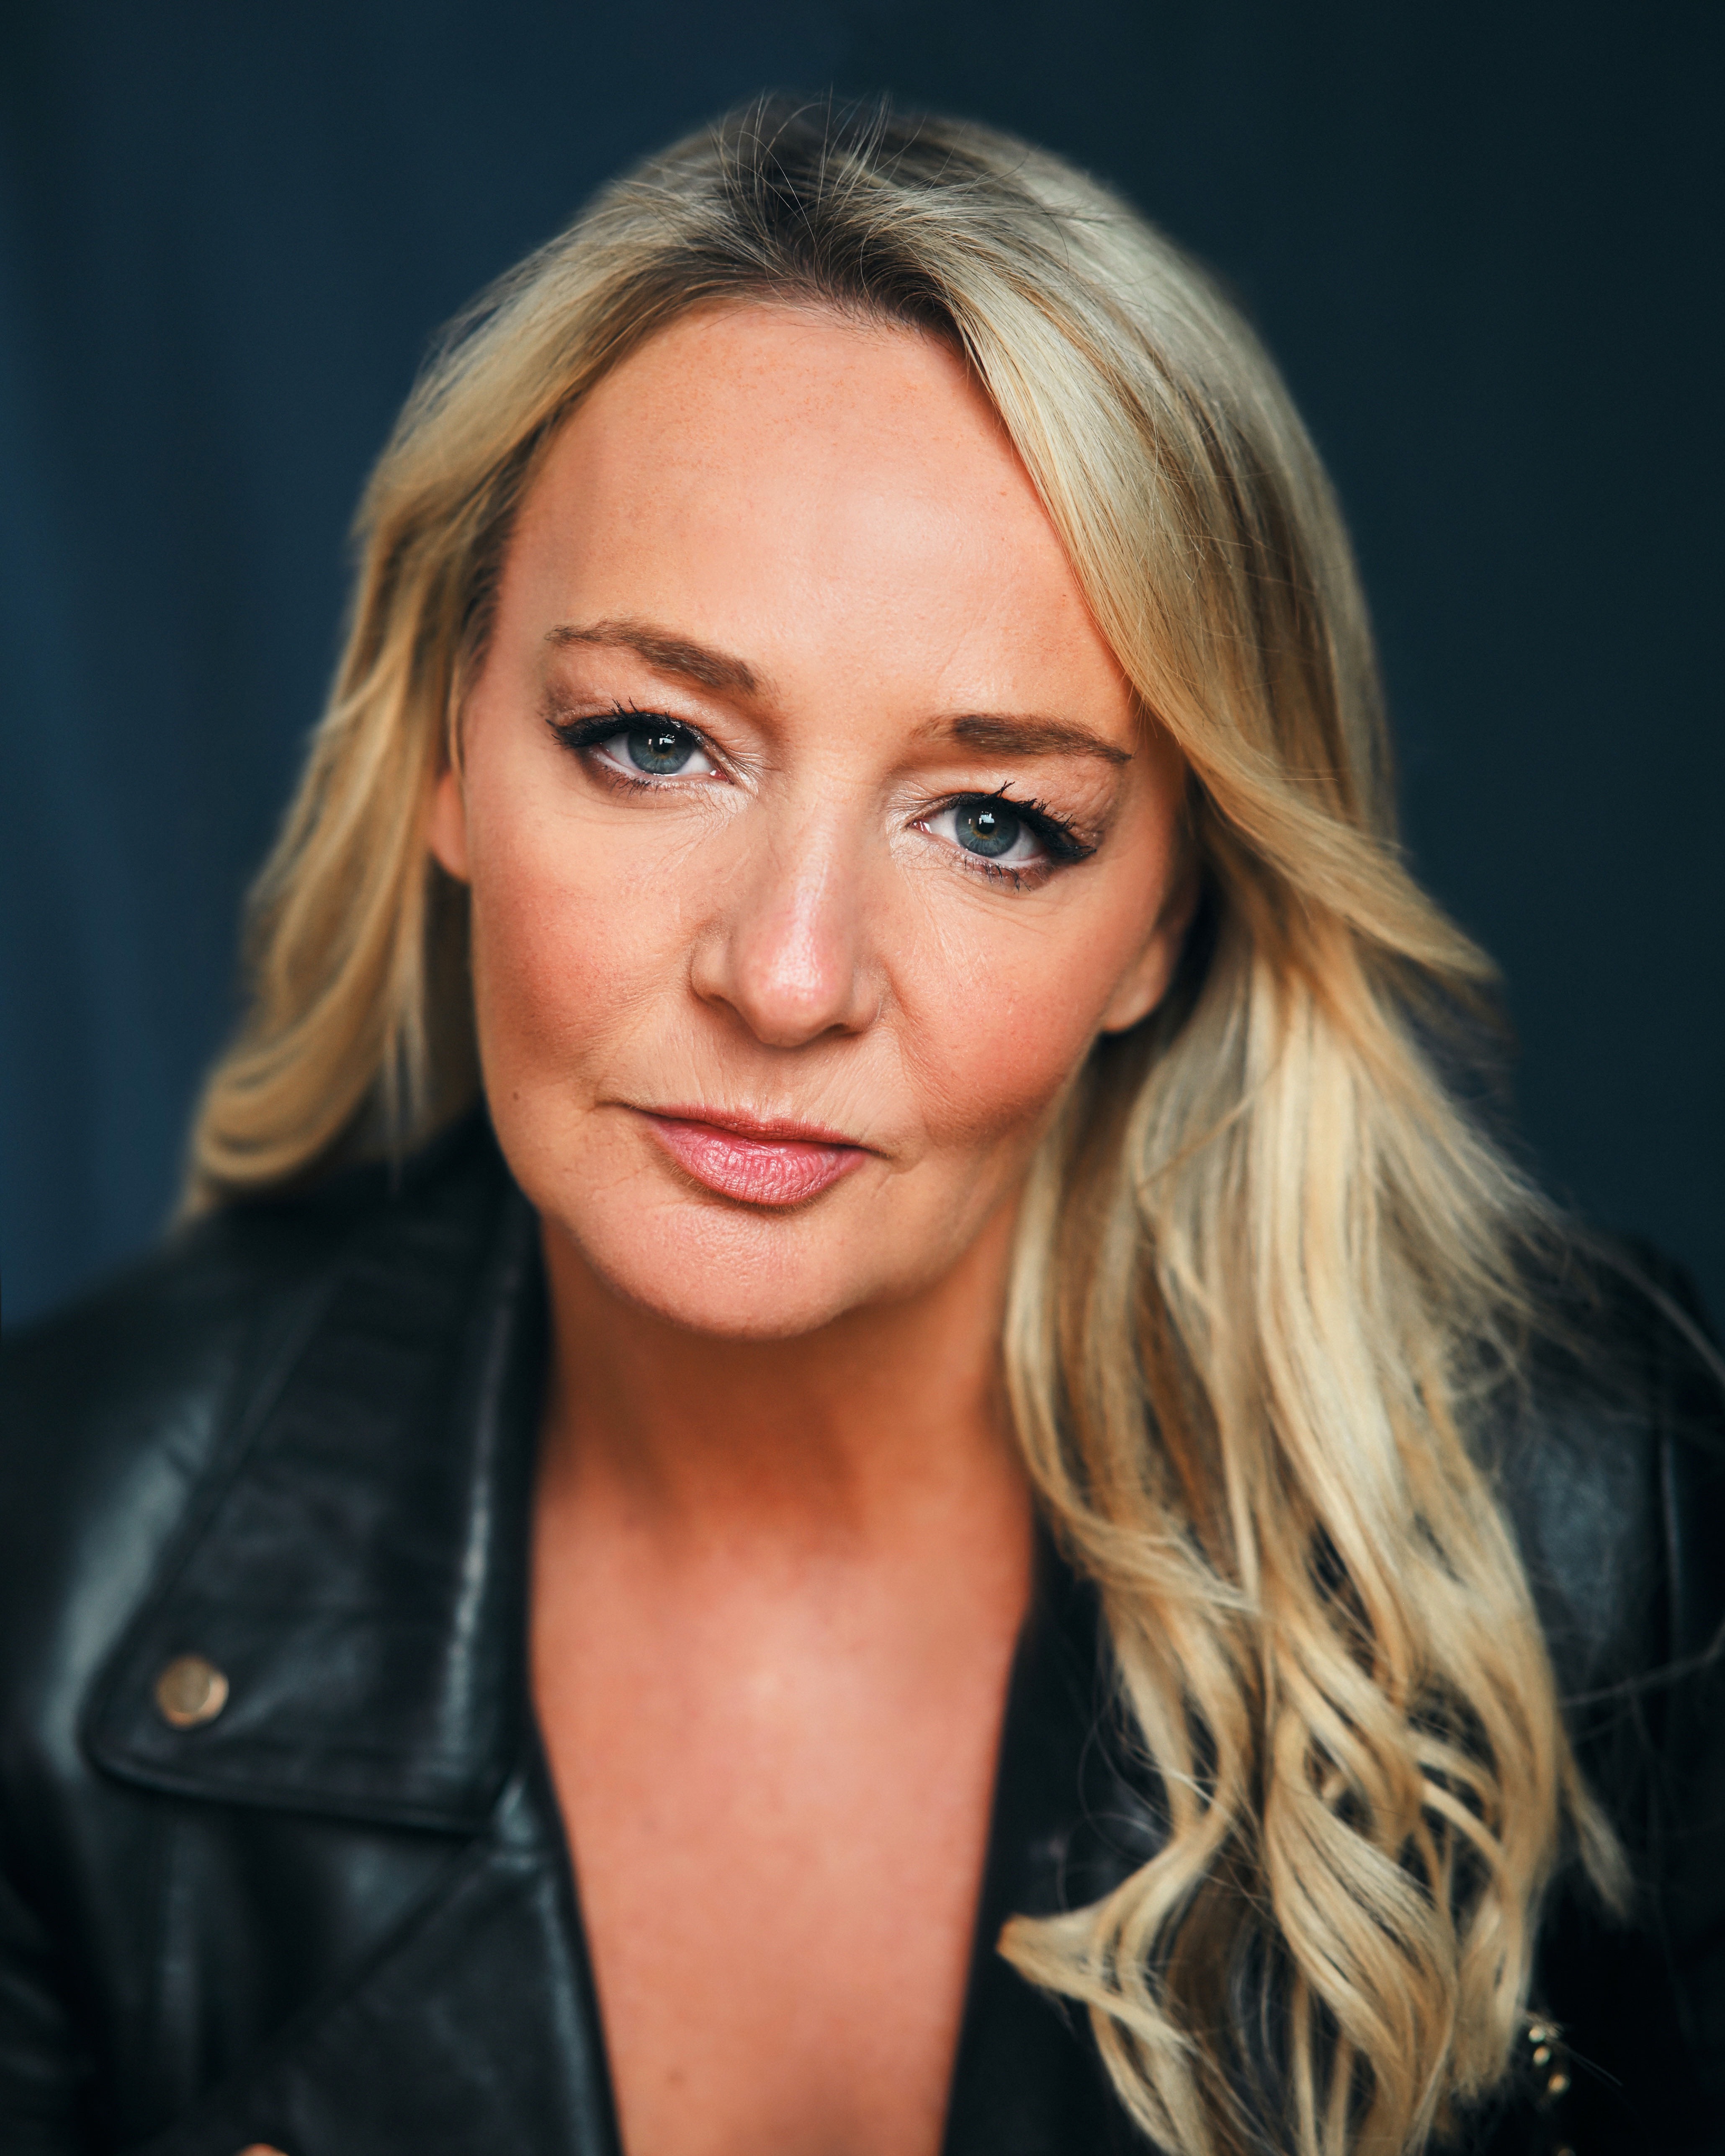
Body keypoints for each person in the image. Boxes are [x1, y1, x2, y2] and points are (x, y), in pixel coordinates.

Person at [1, 98, 1720, 2156]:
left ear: (1163, 918)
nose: (790, 974)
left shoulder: (1586, 1515)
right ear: (449, 752)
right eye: (655, 741)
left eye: (994, 821)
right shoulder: (45, 1567)